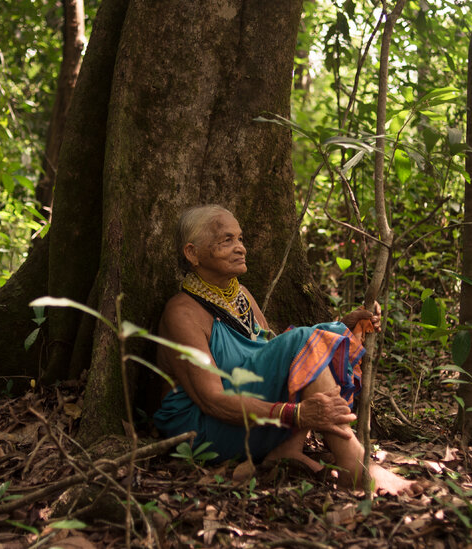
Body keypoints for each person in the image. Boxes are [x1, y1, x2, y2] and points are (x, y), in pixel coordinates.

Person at [153, 204, 414, 496]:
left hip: (245, 417)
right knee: (303, 340)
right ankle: (353, 462)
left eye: (240, 239)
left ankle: (289, 451)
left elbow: (282, 359)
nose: (241, 248)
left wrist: (343, 326)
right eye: (227, 240)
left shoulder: (242, 296)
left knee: (309, 343)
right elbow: (212, 400)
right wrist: (297, 415)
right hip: (203, 432)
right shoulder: (182, 313)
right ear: (192, 253)